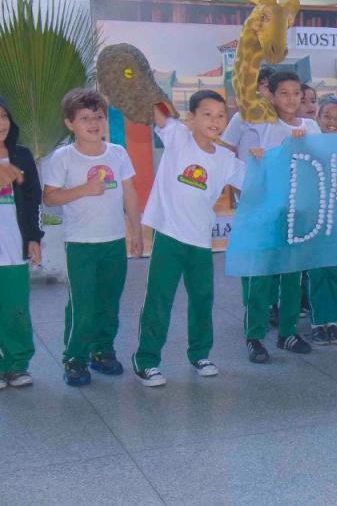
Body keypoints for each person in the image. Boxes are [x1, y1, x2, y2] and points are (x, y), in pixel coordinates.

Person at [131, 91, 250, 386]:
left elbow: (256, 181)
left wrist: (260, 159)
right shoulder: (178, 138)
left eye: (221, 115)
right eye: (207, 114)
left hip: (200, 241)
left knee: (202, 299)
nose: (215, 120)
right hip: (170, 236)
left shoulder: (225, 158)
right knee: (160, 299)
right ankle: (146, 360)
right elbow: (157, 110)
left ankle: (200, 354)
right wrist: (139, 79)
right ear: (191, 118)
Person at [42, 89, 142, 386]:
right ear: (70, 123)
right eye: (85, 118)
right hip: (81, 244)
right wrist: (83, 190)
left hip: (112, 242)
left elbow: (130, 193)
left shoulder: (118, 153)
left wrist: (135, 230)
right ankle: (75, 357)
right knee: (83, 306)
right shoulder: (63, 158)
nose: (93, 123)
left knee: (109, 303)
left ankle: (102, 351)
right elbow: (50, 198)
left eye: (98, 116)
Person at [241, 71, 321, 364]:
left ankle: (287, 331)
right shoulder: (264, 125)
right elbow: (253, 160)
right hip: (267, 210)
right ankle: (254, 336)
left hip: (298, 211)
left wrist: (305, 146)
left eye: (296, 93)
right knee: (261, 275)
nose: (291, 99)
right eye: (284, 93)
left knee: (292, 273)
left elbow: (321, 161)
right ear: (272, 96)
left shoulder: (312, 126)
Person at [0, 96, 42, 389]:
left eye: (3, 115)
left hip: (13, 247)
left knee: (15, 307)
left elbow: (33, 199)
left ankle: (16, 364)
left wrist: (34, 238)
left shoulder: (22, 155)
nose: (1, 123)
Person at [304, 97, 337, 347]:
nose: (332, 122)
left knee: (336, 272)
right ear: (317, 119)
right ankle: (317, 323)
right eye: (327, 117)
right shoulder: (307, 145)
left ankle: (332, 322)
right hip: (314, 218)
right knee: (317, 272)